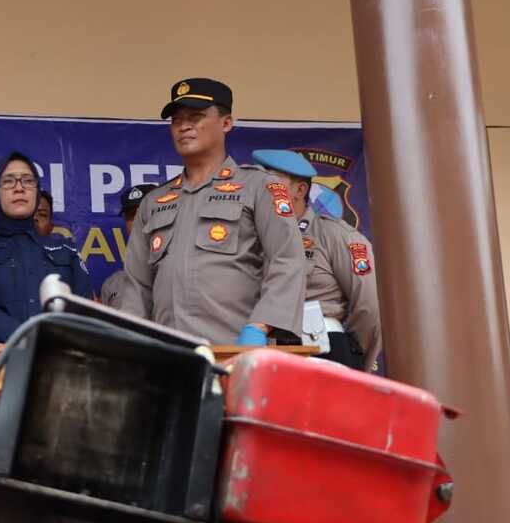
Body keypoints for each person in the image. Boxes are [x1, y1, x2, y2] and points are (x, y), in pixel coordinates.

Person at [119, 78, 306, 345]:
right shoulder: (154, 201)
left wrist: (261, 326)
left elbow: (287, 260)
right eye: (176, 120)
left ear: (226, 123)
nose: (184, 126)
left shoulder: (259, 187)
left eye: (196, 117)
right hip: (169, 356)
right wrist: (130, 341)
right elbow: (137, 284)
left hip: (235, 349)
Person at [251, 150, 382, 370]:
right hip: (262, 355)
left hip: (322, 349)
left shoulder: (335, 235)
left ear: (300, 190)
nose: (264, 191)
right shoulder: (251, 237)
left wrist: (354, 359)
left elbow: (369, 308)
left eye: (273, 184)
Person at [0, 152, 94, 342]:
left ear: (37, 191)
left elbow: (82, 307)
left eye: (28, 181)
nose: (19, 188)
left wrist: (51, 340)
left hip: (54, 358)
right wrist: (29, 338)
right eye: (9, 181)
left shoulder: (66, 250)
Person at [100, 183, 157, 308]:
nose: (138, 220)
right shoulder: (112, 285)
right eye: (131, 215)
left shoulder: (182, 274)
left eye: (144, 212)